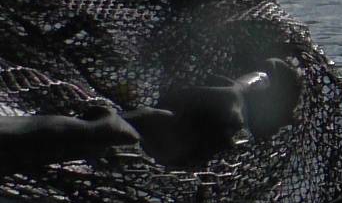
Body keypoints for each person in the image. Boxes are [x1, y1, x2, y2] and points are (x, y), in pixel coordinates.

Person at [0, 58, 301, 174]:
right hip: (130, 133)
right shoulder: (233, 113)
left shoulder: (231, 100)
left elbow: (260, 76)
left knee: (101, 132)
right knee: (101, 132)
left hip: (138, 128)